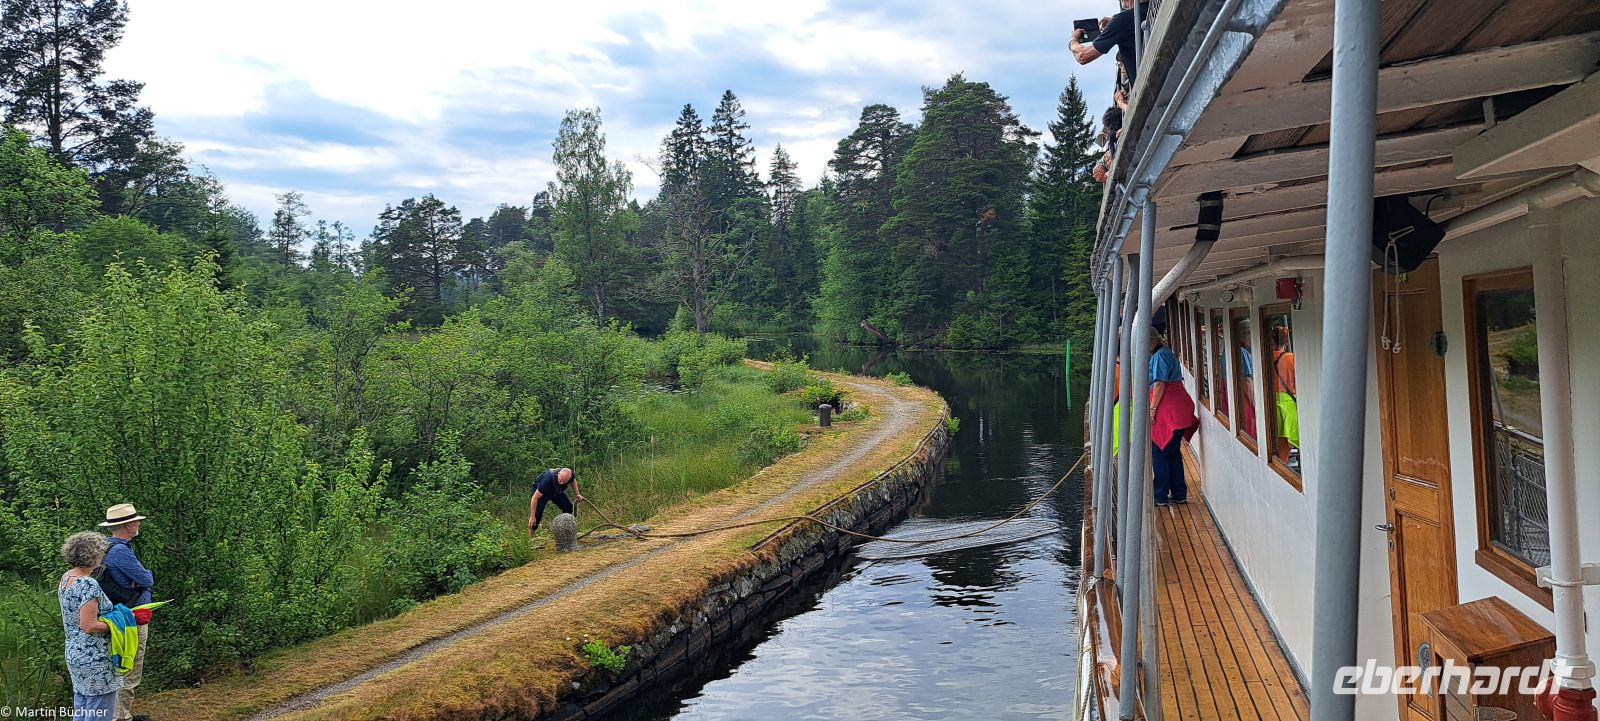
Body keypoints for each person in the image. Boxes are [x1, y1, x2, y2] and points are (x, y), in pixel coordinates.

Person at [59, 531, 122, 719]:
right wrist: (119, 625)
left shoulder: (67, 578)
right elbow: (89, 625)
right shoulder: (87, 584)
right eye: (101, 553)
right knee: (99, 713)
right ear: (94, 556)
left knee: (82, 708)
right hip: (95, 659)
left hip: (75, 654)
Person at [98, 503, 152, 721]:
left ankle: (120, 713)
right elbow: (147, 579)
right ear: (128, 525)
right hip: (131, 617)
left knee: (120, 666)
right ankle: (121, 717)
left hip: (117, 616)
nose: (139, 523)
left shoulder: (105, 548)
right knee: (130, 667)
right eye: (136, 520)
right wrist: (145, 575)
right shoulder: (120, 551)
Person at [1147, 328, 1198, 506]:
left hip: (1168, 409)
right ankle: (1179, 494)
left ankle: (1160, 496)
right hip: (1180, 406)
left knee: (1160, 453)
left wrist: (1152, 409)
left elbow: (1160, 383)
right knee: (1173, 453)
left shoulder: (1159, 355)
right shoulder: (1166, 351)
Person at [1069, 0, 1151, 85]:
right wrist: (1115, 23)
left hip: (1148, 88)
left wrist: (1073, 40)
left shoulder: (1122, 21)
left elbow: (1082, 56)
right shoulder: (1154, 9)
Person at [1269, 324, 1300, 464]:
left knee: (1278, 438)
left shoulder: (1266, 358)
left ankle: (1281, 463)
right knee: (1293, 437)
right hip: (1288, 403)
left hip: (1272, 402)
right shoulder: (1291, 358)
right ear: (1286, 342)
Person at [528, 467, 585, 537]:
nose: (561, 483)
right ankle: (531, 537)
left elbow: (573, 481)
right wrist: (532, 516)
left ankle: (566, 530)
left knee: (569, 508)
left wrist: (577, 494)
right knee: (537, 516)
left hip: (556, 491)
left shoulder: (569, 476)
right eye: (560, 480)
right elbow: (535, 498)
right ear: (558, 474)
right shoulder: (547, 481)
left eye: (564, 482)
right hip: (542, 493)